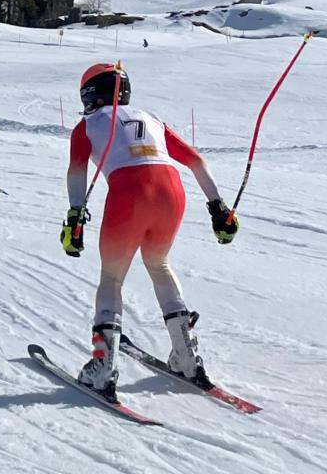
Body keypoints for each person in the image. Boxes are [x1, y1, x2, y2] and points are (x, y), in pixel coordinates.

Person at [60, 62, 239, 402]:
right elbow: (196, 161)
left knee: (112, 279)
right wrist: (219, 207)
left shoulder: (87, 125)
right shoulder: (152, 118)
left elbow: (77, 172)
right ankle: (186, 356)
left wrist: (75, 217)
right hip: (171, 192)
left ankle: (103, 367)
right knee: (159, 265)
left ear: (89, 94)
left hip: (128, 194)